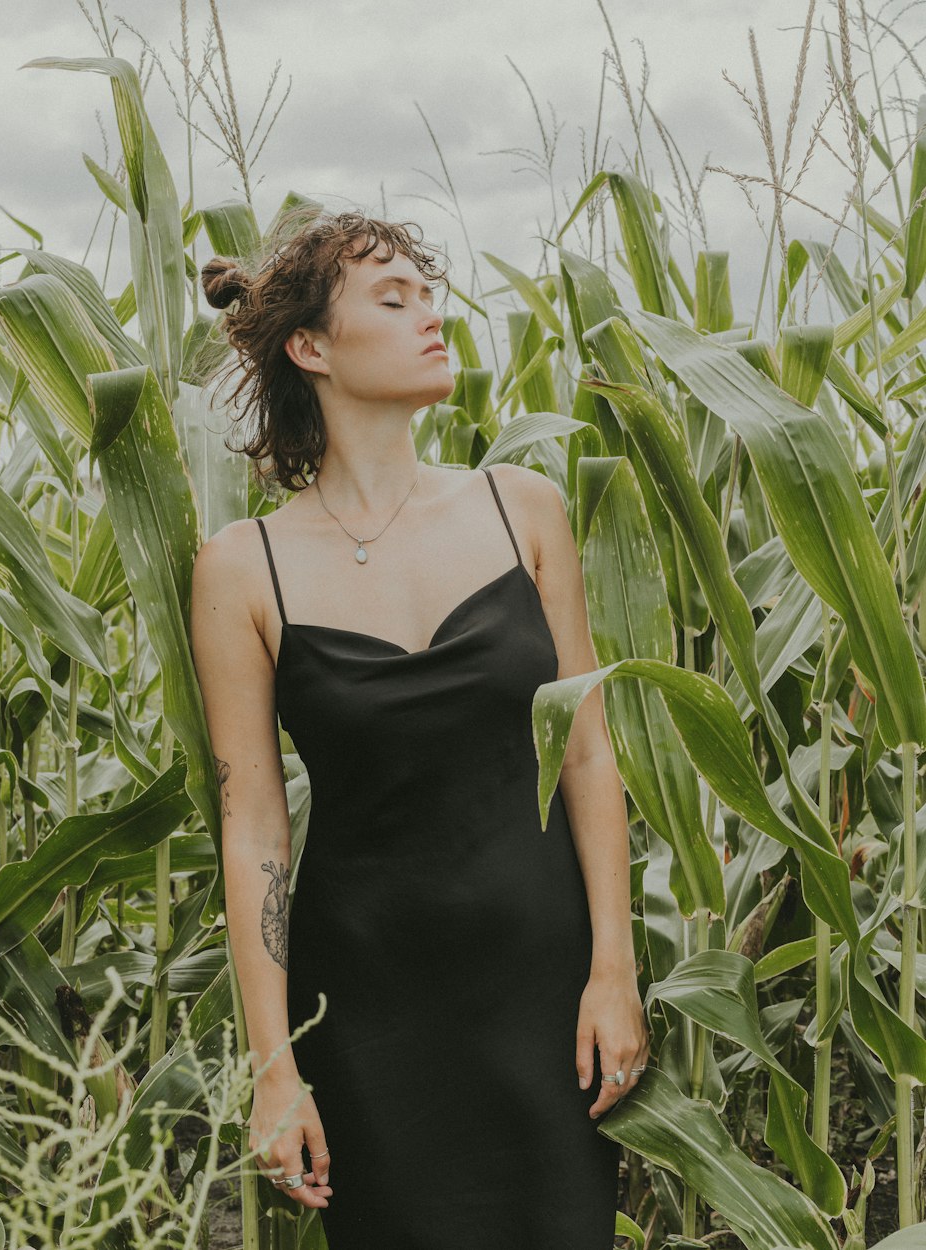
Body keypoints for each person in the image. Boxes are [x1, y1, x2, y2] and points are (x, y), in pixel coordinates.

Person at [190, 207, 650, 1248]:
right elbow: (254, 828)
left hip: (541, 989)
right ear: (310, 347)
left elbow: (586, 749)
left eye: (430, 295)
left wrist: (612, 966)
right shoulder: (240, 568)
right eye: (393, 301)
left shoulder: (521, 510)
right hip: (366, 1004)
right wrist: (276, 1064)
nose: (433, 318)